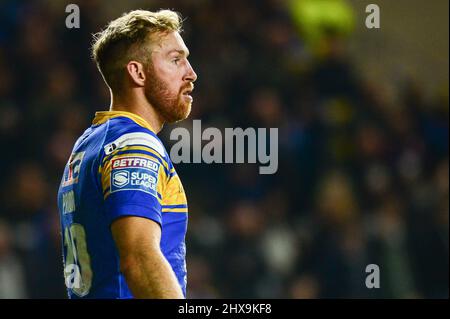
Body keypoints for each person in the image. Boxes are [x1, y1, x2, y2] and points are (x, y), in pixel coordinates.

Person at [57, 9, 197, 299]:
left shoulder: (87, 145)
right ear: (138, 72)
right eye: (176, 60)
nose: (191, 73)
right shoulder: (134, 144)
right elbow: (139, 259)